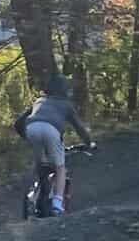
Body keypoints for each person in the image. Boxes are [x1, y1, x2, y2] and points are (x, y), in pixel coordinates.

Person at [14, 75, 95, 216]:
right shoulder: (66, 105)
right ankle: (57, 205)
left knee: (41, 165)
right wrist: (90, 143)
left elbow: (18, 122)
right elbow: (79, 128)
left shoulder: (39, 101)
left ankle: (34, 196)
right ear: (65, 90)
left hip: (31, 128)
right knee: (60, 168)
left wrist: (26, 137)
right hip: (51, 130)